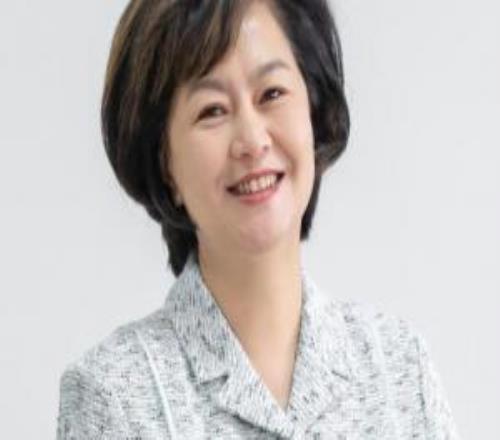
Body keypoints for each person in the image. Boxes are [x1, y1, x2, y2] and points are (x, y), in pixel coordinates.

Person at [56, 0, 460, 438]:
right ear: (165, 163)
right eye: (212, 110)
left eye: (272, 94)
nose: (251, 140)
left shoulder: (398, 365)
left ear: (313, 111)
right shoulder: (114, 395)